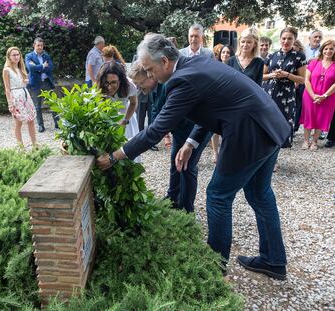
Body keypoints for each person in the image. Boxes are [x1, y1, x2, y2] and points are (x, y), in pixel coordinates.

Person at [97, 34, 290, 280]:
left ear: (165, 62)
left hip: (249, 134)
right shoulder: (195, 65)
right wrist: (190, 142)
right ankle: (273, 261)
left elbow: (155, 131)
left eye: (149, 69)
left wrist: (114, 156)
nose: (149, 75)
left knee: (218, 195)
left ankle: (213, 267)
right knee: (259, 194)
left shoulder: (181, 80)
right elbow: (216, 106)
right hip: (268, 127)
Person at [129, 60, 211, 213]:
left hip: (194, 129)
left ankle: (187, 209)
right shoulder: (152, 87)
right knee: (175, 163)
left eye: (140, 83)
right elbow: (156, 110)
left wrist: (151, 136)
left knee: (187, 167)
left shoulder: (168, 84)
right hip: (179, 131)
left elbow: (167, 115)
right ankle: (172, 199)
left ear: (150, 76)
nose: (138, 88)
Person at [262, 27, 306, 149]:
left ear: (294, 40)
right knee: (266, 122)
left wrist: (287, 75)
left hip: (286, 96)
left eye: (289, 39)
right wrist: (272, 75)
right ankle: (265, 153)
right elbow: (261, 76)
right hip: (268, 93)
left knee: (281, 124)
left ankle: (274, 155)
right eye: (283, 38)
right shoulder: (272, 55)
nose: (286, 41)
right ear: (280, 39)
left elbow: (303, 79)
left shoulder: (299, 56)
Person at [97, 61, 140, 162]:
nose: (109, 87)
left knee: (127, 150)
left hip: (125, 118)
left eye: (113, 82)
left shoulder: (129, 86)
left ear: (120, 80)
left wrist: (125, 121)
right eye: (106, 82)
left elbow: (133, 103)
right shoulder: (99, 87)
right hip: (107, 119)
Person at [300, 40, 335, 150]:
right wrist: (313, 95)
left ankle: (315, 141)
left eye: (331, 49)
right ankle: (306, 140)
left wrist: (324, 95)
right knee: (308, 117)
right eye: (326, 48)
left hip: (328, 97)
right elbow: (306, 80)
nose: (328, 51)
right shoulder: (313, 62)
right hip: (310, 95)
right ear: (322, 50)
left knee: (321, 117)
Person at [3, 47, 37, 149]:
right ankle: (21, 147)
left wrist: (25, 82)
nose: (16, 57)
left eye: (18, 54)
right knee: (18, 123)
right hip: (15, 97)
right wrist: (10, 103)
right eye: (13, 55)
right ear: (9, 57)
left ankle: (35, 144)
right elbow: (7, 89)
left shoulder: (21, 68)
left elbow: (24, 83)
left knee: (31, 120)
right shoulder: (6, 70)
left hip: (25, 95)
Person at [25, 37, 58, 133]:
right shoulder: (29, 56)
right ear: (34, 45)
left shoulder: (46, 56)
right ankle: (41, 125)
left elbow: (51, 67)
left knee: (52, 104)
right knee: (37, 106)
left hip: (47, 82)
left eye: (41, 45)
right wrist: (43, 66)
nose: (40, 47)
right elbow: (30, 68)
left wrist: (37, 68)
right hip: (36, 84)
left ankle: (57, 123)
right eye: (38, 45)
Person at [293, 40, 306, 133]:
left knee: (297, 106)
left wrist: (297, 83)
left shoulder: (301, 57)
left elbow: (302, 75)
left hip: (299, 85)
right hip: (290, 84)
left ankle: (295, 126)